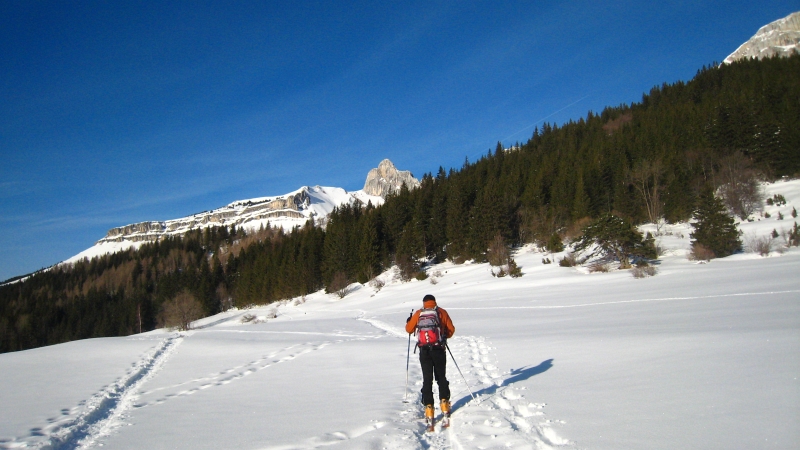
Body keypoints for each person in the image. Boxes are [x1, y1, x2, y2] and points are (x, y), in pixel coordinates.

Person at [405, 294, 455, 425]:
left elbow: (409, 329)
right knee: (441, 377)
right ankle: (444, 403)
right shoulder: (441, 312)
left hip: (424, 351)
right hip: (439, 349)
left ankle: (429, 408)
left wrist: (409, 321)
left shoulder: (418, 313)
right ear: (434, 302)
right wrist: (443, 337)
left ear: (424, 303)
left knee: (427, 379)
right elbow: (451, 329)